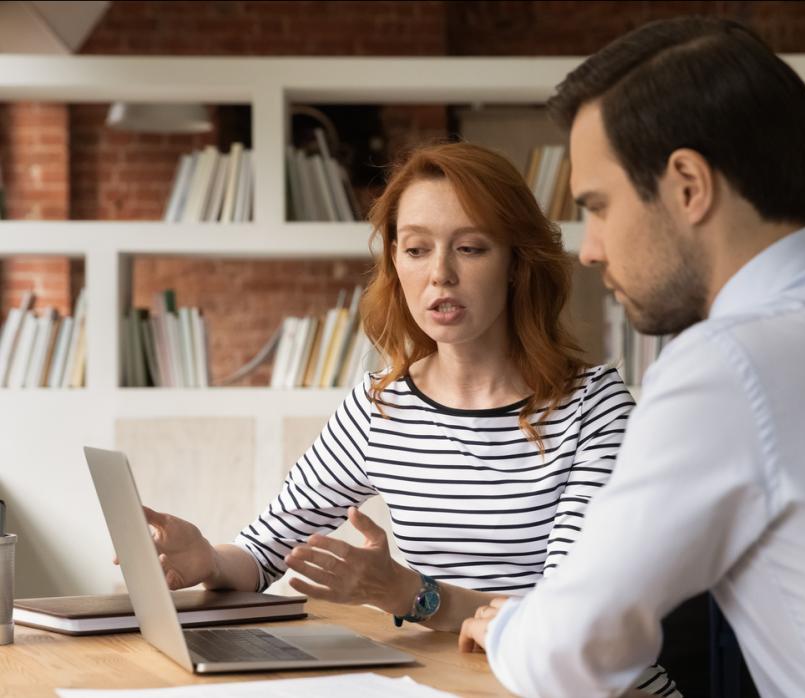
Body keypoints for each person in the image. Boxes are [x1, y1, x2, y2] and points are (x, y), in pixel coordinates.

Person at [458, 16, 805, 698]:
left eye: (598, 205)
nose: (588, 249)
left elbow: (570, 654)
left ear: (687, 184)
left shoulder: (730, 363)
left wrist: (510, 629)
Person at [138, 142, 676, 694]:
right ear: (395, 261)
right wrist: (207, 559)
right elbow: (263, 551)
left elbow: (567, 626)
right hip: (455, 686)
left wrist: (411, 594)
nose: (440, 275)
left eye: (470, 248)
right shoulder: (381, 406)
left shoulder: (595, 409)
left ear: (516, 262)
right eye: (416, 249)